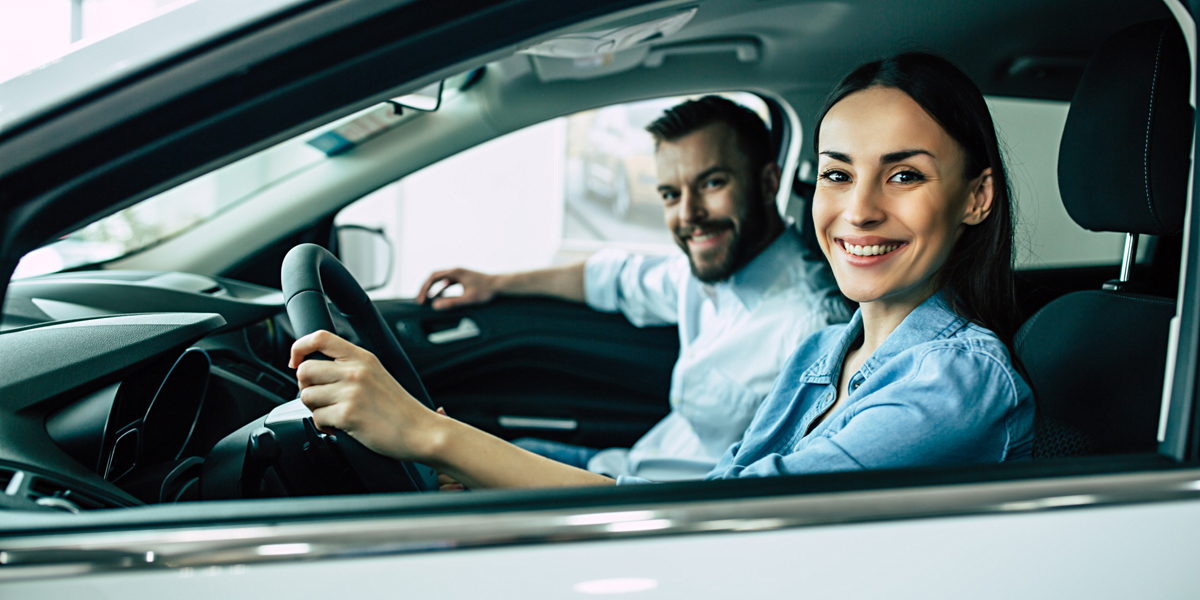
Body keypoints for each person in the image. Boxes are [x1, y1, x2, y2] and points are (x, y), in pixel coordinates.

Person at [289, 52, 1035, 489]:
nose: (859, 211)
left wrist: (428, 434)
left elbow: (723, 517)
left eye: (903, 177)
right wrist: (496, 288)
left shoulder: (953, 379)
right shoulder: (827, 353)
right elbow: (621, 279)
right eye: (839, 176)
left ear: (976, 197)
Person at [411, 96, 850, 481]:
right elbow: (615, 279)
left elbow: (773, 488)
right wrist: (496, 284)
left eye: (712, 183)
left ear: (768, 182)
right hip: (627, 464)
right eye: (670, 195)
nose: (689, 214)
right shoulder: (708, 270)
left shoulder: (810, 328)